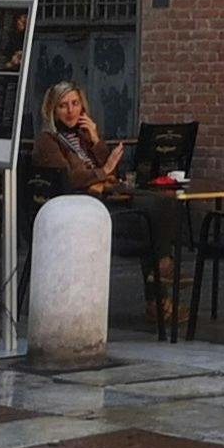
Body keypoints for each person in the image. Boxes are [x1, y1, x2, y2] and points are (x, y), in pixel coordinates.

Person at [31, 81, 180, 327]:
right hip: (80, 215)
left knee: (158, 204)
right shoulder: (48, 141)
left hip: (101, 203)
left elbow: (112, 172)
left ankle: (160, 278)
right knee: (149, 226)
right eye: (63, 106)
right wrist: (104, 171)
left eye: (75, 104)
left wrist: (97, 140)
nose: (71, 111)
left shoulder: (83, 137)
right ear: (52, 110)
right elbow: (68, 178)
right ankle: (159, 287)